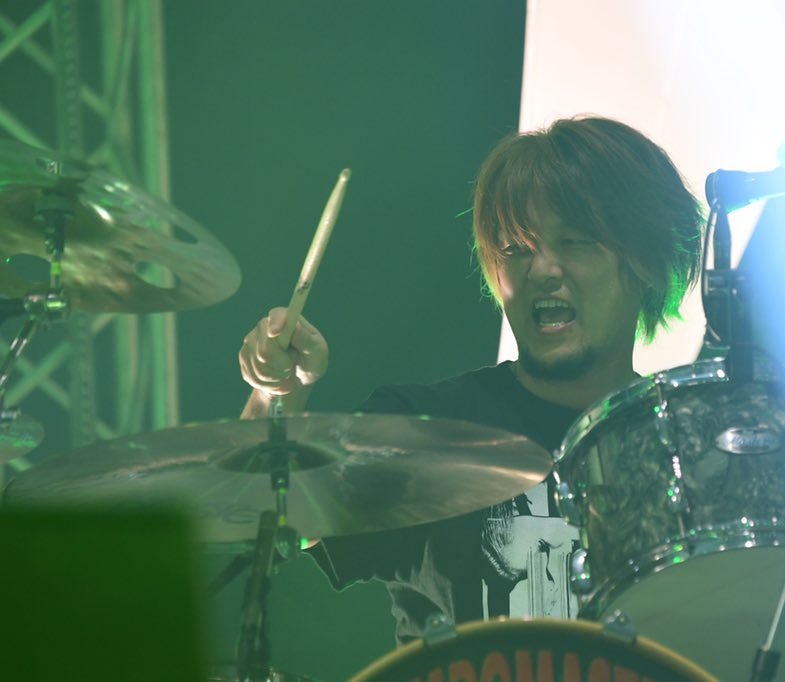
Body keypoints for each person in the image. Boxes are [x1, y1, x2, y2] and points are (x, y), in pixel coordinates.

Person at [238, 116, 704, 644]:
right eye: (516, 249)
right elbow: (257, 518)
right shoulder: (426, 430)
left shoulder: (687, 450)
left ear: (647, 264)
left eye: (575, 241)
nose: (542, 270)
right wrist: (277, 394)